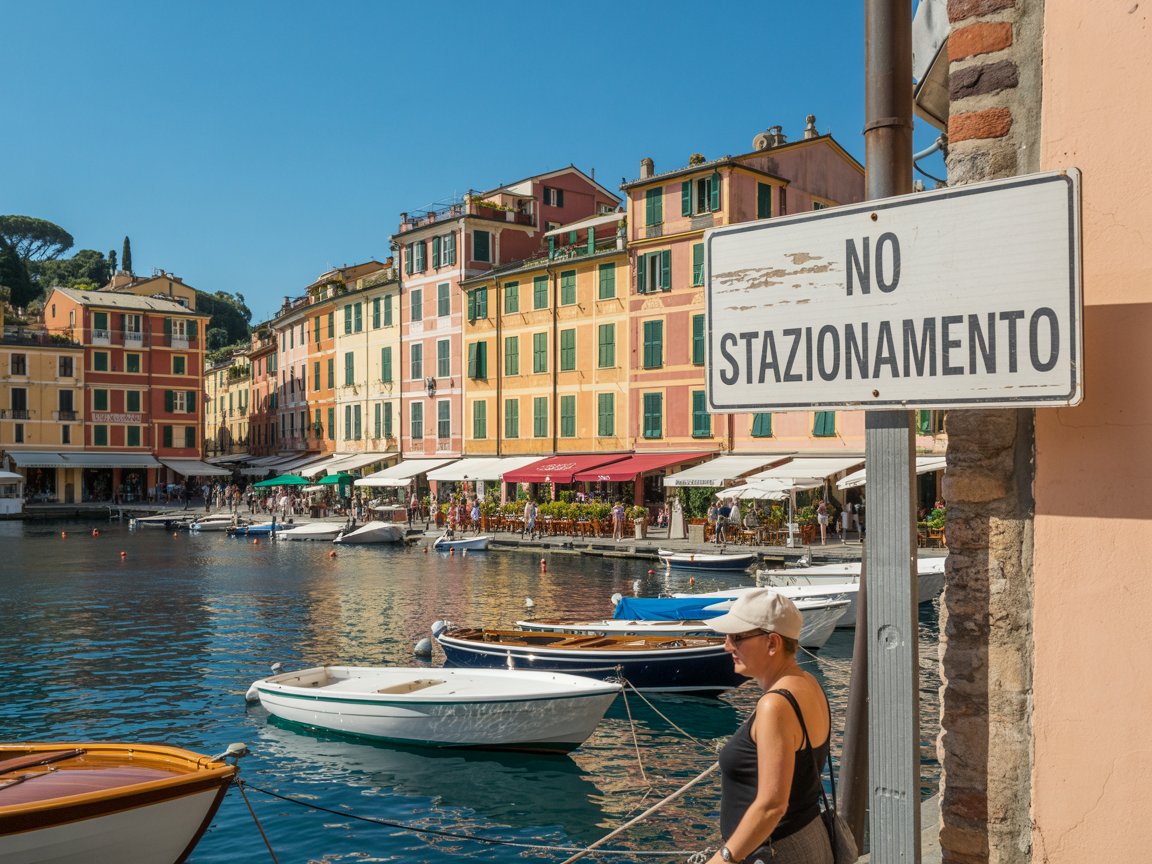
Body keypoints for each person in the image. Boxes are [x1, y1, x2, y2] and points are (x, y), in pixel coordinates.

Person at [706, 589, 833, 864]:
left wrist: (724, 858)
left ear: (772, 643)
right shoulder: (809, 683)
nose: (727, 646)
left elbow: (772, 806)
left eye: (736, 637)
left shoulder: (774, 705)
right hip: (809, 840)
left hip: (779, 853)